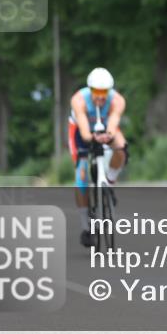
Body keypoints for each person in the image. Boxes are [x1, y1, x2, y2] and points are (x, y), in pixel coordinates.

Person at [69, 67, 128, 247]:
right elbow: (85, 131)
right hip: (81, 131)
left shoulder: (117, 100)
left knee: (122, 148)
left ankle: (109, 181)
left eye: (105, 92)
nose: (101, 97)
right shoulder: (79, 99)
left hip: (105, 128)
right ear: (90, 90)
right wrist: (92, 138)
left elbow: (113, 123)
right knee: (82, 177)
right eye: (97, 92)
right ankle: (86, 225)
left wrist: (108, 136)